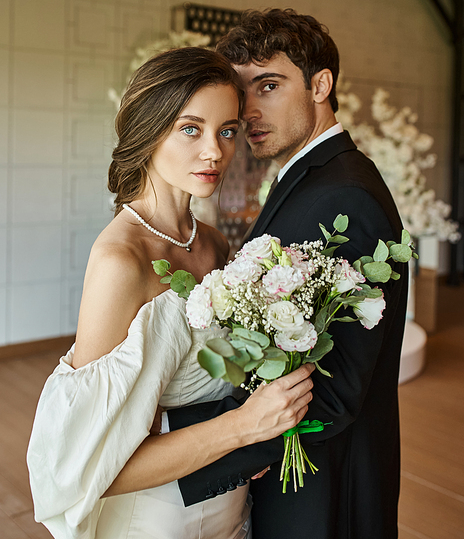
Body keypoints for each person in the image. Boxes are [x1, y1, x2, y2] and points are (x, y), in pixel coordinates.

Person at [27, 46, 314, 539]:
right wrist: (245, 428)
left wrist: (248, 442)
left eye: (227, 131)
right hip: (156, 519)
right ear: (149, 130)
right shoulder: (122, 261)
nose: (215, 152)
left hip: (227, 494)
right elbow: (86, 468)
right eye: (190, 129)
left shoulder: (216, 243)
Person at [166, 10, 409, 539]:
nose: (249, 110)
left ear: (321, 85)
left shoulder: (344, 194)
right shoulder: (306, 176)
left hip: (325, 492)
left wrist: (178, 444)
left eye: (269, 85)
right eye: (242, 91)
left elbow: (337, 389)